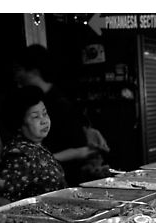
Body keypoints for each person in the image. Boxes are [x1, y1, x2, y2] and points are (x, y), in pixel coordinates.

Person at [13, 44, 98, 186]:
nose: (15, 76)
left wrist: (39, 160)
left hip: (64, 180)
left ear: (33, 71)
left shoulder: (58, 102)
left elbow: (81, 149)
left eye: (18, 70)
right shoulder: (35, 101)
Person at [0, 86, 67, 204]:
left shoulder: (37, 147)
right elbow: (0, 195)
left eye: (45, 113)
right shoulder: (20, 154)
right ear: (19, 123)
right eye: (36, 116)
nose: (44, 120)